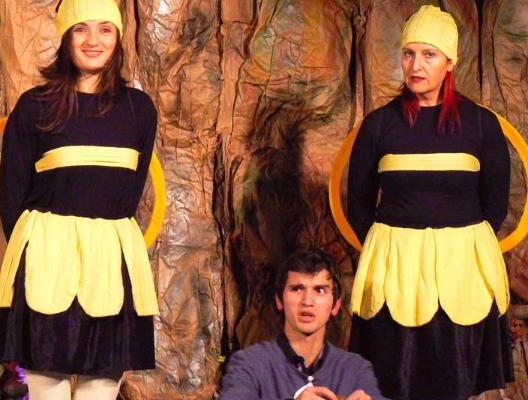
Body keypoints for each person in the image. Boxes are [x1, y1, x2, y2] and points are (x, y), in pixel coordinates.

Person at [0, 0, 159, 399]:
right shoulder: (35, 107)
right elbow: (11, 197)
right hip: (46, 266)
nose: (93, 40)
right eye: (81, 29)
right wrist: (38, 256)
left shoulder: (139, 110)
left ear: (118, 37)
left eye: (105, 29)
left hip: (109, 267)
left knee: (100, 390)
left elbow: (129, 195)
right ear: (65, 37)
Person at [347, 5, 513, 400]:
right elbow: (358, 204)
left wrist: (458, 245)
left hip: (461, 276)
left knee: (453, 385)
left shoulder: (481, 124)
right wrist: (391, 250)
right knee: (394, 383)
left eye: (429, 54)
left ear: (450, 62)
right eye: (408, 53)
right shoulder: (378, 125)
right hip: (396, 276)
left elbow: (494, 206)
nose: (416, 65)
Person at [219, 247, 389, 400]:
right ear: (279, 300)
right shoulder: (249, 364)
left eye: (320, 290)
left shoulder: (356, 369)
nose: (307, 301)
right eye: (297, 289)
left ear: (336, 305)